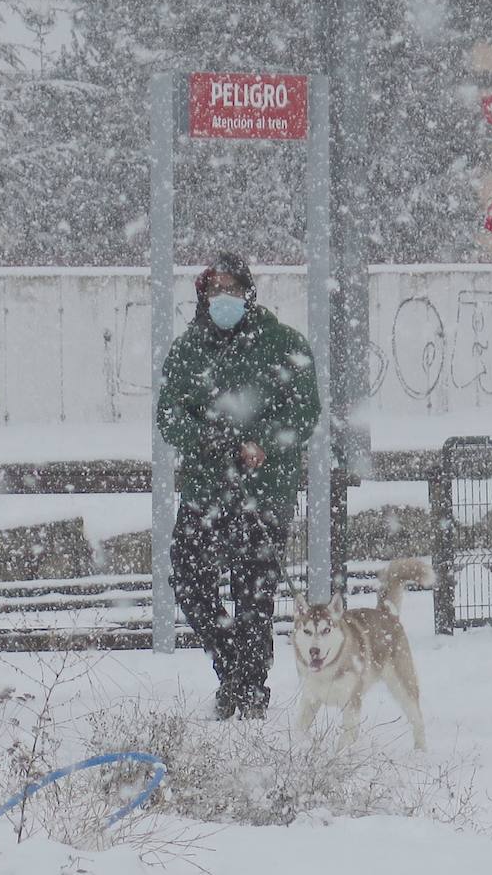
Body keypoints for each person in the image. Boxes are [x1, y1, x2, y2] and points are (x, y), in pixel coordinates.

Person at [156, 253, 322, 719]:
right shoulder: (189, 349)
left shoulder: (283, 344)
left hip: (261, 491)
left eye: (230, 289)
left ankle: (249, 690)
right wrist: (204, 438)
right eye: (214, 291)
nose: (222, 299)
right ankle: (236, 670)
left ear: (248, 293)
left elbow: (304, 412)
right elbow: (169, 415)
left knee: (254, 594)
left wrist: (262, 443)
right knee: (189, 579)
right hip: (207, 489)